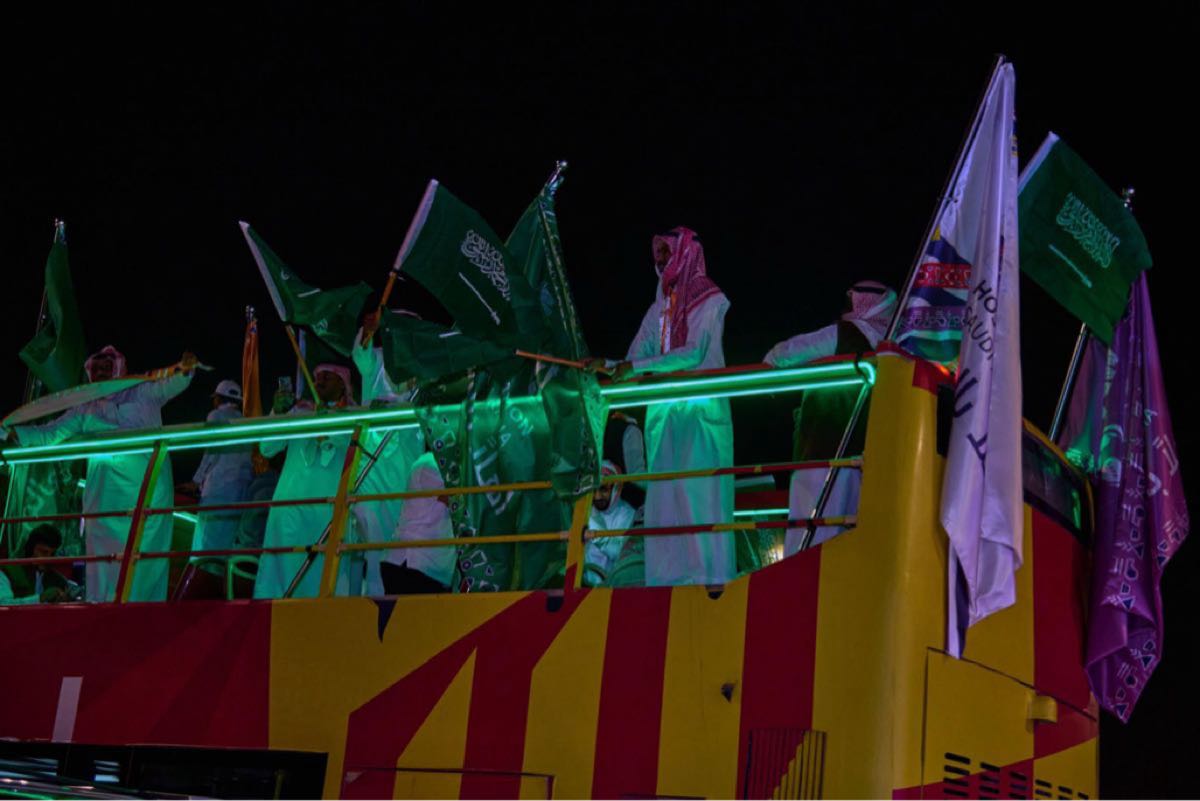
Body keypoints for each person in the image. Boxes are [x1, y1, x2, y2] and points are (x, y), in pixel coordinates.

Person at [10, 346, 196, 601]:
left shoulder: (141, 391)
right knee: (104, 565)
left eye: (106, 368)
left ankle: (142, 614)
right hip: (106, 499)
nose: (100, 373)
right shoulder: (85, 407)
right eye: (96, 369)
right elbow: (50, 433)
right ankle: (104, 612)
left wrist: (185, 369)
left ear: (118, 368)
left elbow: (172, 383)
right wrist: (13, 434)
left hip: (146, 494)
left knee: (144, 562)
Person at [607, 227, 734, 587]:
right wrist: (608, 367)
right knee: (663, 499)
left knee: (698, 497)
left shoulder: (708, 297)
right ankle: (665, 584)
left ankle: (709, 583)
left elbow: (693, 353)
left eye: (666, 252)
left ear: (684, 252)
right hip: (664, 416)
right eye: (657, 253)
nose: (660, 260)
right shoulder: (660, 308)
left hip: (699, 413)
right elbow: (636, 355)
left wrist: (634, 367)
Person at [763, 280, 897, 554]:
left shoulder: (844, 333)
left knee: (809, 530)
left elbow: (787, 352)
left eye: (850, 301)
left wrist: (767, 369)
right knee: (846, 531)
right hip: (863, 457)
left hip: (822, 450)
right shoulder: (890, 346)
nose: (845, 308)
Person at [253, 363, 359, 599]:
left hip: (326, 514)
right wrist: (278, 413)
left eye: (328, 376)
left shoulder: (354, 416)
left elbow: (350, 453)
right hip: (288, 512)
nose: (320, 380)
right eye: (318, 375)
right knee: (280, 584)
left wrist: (327, 427)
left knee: (320, 583)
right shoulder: (299, 411)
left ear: (342, 384)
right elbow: (267, 448)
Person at [352, 310, 426, 596]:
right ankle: (373, 597)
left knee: (399, 532)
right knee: (370, 528)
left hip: (406, 463)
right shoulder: (377, 358)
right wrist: (368, 330)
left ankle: (393, 597)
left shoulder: (424, 363)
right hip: (372, 462)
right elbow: (360, 354)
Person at [180, 380, 254, 568]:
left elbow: (212, 450)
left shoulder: (216, 415)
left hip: (217, 489)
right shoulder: (246, 421)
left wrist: (196, 480)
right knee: (224, 548)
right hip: (240, 492)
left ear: (219, 399)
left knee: (205, 544)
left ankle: (199, 580)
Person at [381, 448, 454, 594]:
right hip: (413, 564)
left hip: (427, 566)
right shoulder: (430, 464)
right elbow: (456, 498)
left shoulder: (440, 465)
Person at [584, 461, 637, 587]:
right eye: (593, 490)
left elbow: (619, 553)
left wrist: (596, 534)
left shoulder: (627, 514)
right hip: (585, 585)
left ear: (616, 488)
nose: (597, 497)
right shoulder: (585, 510)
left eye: (603, 489)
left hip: (616, 586)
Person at [0, 524, 72, 605]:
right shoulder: (8, 572)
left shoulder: (58, 579)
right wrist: (40, 598)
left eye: (52, 554)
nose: (48, 558)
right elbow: (3, 604)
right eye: (43, 552)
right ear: (31, 549)